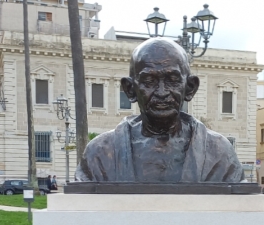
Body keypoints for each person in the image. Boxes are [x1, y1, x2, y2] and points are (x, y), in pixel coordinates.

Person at [75, 38, 244, 183]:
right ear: (130, 89)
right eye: (149, 81)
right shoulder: (99, 154)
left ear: (190, 88)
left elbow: (241, 211)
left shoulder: (219, 153)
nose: (162, 92)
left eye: (172, 80)